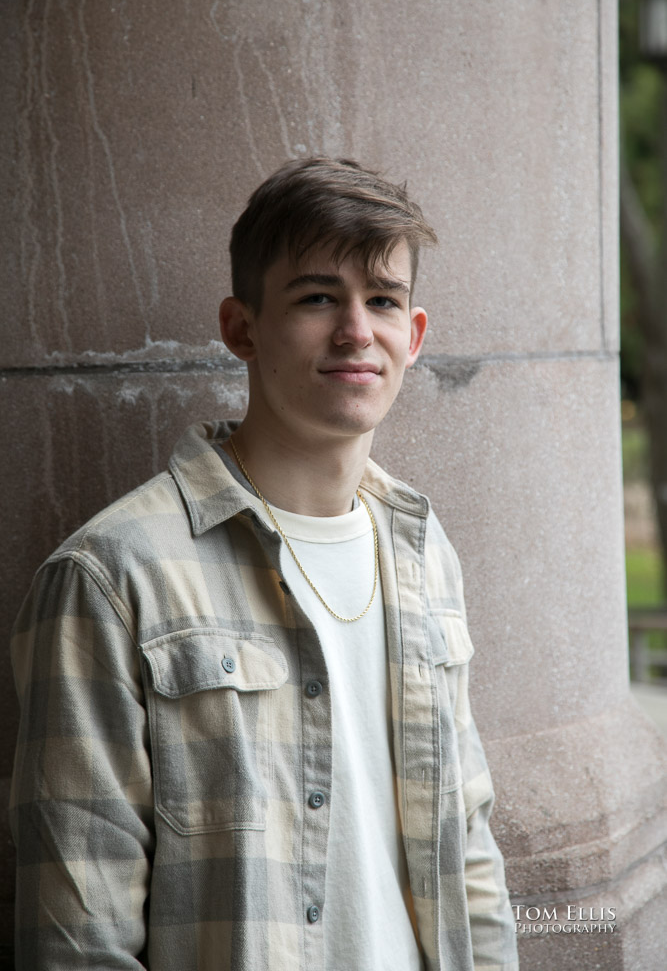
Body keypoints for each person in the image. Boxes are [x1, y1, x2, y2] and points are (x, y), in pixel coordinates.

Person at [10, 158, 519, 970]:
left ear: (412, 336)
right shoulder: (113, 577)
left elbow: (467, 852)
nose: (357, 330)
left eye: (381, 300)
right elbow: (77, 938)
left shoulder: (424, 552)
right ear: (241, 328)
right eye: (318, 298)